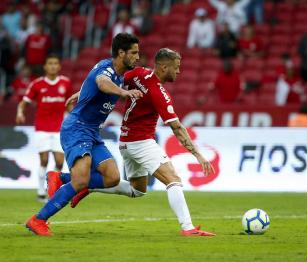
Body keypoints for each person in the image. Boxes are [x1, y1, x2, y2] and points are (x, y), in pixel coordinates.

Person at [70, 48, 216, 236]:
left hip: (125, 142)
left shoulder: (138, 73)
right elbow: (177, 128)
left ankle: (90, 186)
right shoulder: (159, 93)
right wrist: (199, 156)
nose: (179, 71)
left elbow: (111, 81)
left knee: (137, 190)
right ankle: (188, 228)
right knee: (173, 180)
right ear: (164, 67)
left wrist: (82, 92)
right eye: (176, 67)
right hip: (141, 141)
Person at [25, 33, 143, 236]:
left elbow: (95, 85)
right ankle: (38, 220)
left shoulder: (120, 74)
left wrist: (81, 93)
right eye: (134, 53)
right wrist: (123, 93)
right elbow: (101, 82)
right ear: (121, 53)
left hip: (92, 132)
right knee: (80, 180)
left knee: (112, 177)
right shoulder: (106, 70)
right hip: (76, 129)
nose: (137, 57)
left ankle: (60, 177)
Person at [16, 54, 73, 202]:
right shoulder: (37, 84)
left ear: (59, 66)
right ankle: (41, 191)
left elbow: (70, 105)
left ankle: (53, 188)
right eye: (50, 64)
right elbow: (24, 102)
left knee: (60, 162)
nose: (53, 66)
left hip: (59, 128)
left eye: (55, 63)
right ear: (45, 67)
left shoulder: (65, 83)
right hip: (42, 128)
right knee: (44, 160)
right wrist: (20, 113)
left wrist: (73, 118)